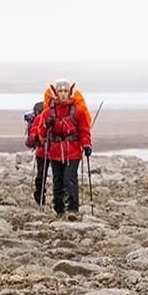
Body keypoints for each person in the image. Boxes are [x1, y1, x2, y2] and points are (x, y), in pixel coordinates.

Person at [27, 80, 92, 219]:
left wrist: (86, 145)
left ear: (70, 93)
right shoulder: (47, 112)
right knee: (58, 180)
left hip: (73, 151)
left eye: (65, 91)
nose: (63, 94)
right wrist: (46, 125)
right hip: (55, 152)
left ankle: (73, 209)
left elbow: (84, 130)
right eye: (60, 91)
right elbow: (42, 133)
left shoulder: (78, 111)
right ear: (56, 93)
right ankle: (59, 209)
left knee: (70, 179)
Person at [24, 101, 45, 204]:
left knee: (41, 176)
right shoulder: (48, 115)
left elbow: (32, 137)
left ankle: (40, 199)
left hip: (42, 151)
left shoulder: (38, 118)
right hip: (48, 150)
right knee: (58, 178)